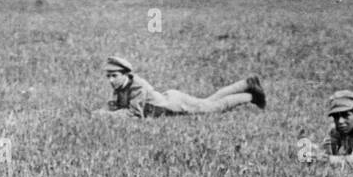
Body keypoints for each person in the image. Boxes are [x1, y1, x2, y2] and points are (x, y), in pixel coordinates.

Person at [99, 55, 265, 118]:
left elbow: (134, 113)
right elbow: (114, 104)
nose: (111, 80)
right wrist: (103, 111)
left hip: (174, 106)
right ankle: (246, 84)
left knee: (214, 107)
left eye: (114, 76)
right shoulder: (122, 86)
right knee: (208, 101)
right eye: (108, 76)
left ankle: (251, 96)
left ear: (125, 74)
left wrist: (106, 116)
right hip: (170, 97)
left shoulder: (136, 87)